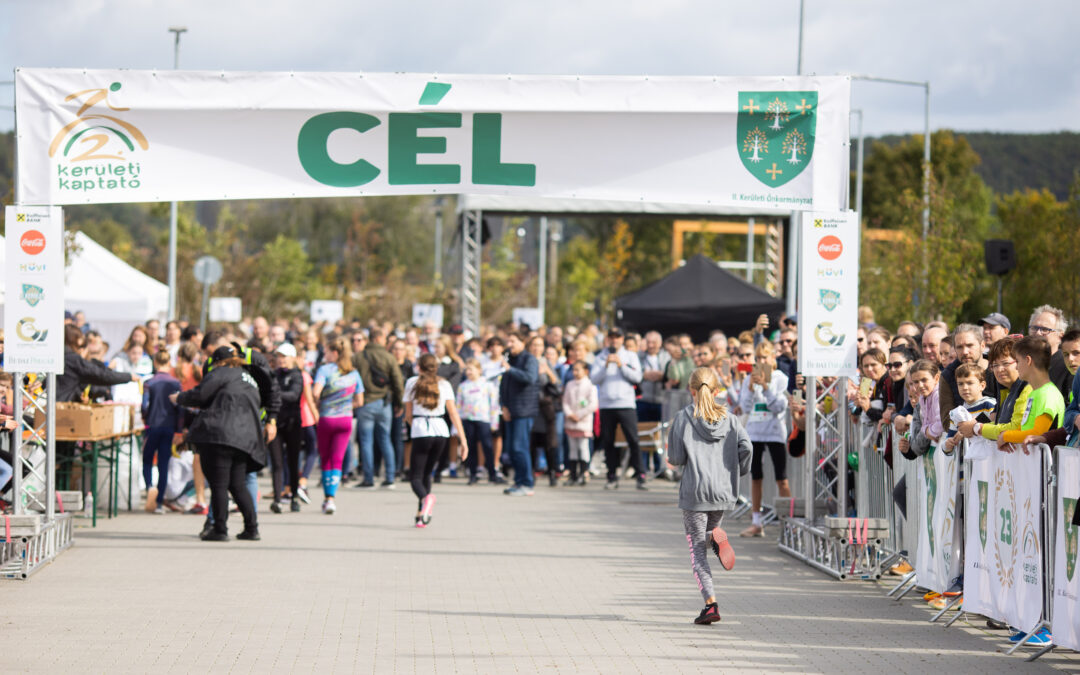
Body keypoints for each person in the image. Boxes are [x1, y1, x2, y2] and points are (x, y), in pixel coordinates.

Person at [667, 367, 751, 625]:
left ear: (691, 390)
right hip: (723, 491)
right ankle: (713, 536)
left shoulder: (683, 417)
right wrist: (738, 471)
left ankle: (710, 604)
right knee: (709, 541)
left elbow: (676, 458)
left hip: (695, 491)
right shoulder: (730, 418)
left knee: (697, 550)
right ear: (717, 391)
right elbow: (747, 447)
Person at [174, 345, 266, 541]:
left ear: (218, 362)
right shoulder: (248, 378)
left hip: (221, 434)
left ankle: (220, 529)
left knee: (219, 484)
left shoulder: (221, 373)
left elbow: (200, 394)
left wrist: (179, 398)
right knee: (238, 485)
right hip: (245, 437)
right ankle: (252, 528)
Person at [403, 353, 468, 527]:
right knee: (427, 473)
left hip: (421, 429)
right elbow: (453, 412)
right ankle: (421, 514)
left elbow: (408, 414)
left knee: (415, 477)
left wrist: (413, 424)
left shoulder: (411, 382)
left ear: (419, 367)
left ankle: (426, 499)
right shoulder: (444, 384)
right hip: (441, 430)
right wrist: (463, 439)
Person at [738, 341, 790, 537]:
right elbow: (744, 407)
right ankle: (756, 521)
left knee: (781, 478)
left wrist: (766, 387)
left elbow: (779, 407)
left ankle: (789, 522)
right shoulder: (748, 379)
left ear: (773, 358)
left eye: (765, 357)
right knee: (756, 476)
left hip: (775, 431)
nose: (761, 361)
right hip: (755, 432)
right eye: (758, 358)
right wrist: (751, 388)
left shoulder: (780, 378)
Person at [591, 327, 647, 491]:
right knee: (608, 441)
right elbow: (594, 379)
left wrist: (621, 365)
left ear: (622, 339)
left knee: (633, 440)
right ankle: (611, 475)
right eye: (612, 337)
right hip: (607, 405)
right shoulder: (600, 357)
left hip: (626, 404)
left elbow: (637, 377)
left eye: (617, 337)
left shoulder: (630, 355)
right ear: (608, 339)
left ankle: (641, 475)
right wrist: (606, 366)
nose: (614, 340)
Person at [313, 337, 364, 514]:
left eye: (326, 352)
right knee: (337, 459)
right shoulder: (353, 373)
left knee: (325, 458)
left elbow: (315, 392)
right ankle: (332, 499)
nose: (324, 355)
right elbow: (360, 400)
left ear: (334, 353)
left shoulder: (324, 370)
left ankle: (327, 498)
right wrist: (346, 404)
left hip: (327, 418)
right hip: (346, 420)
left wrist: (322, 403)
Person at [353, 327, 405, 490]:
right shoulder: (389, 357)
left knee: (366, 441)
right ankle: (389, 477)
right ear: (380, 339)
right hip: (384, 403)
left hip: (366, 402)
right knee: (385, 439)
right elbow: (398, 382)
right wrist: (399, 403)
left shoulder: (358, 357)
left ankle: (368, 478)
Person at [997, 336, 1065, 447]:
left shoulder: (1048, 394)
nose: (1016, 367)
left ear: (1028, 360)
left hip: (1044, 462)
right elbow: (1023, 428)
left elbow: (1037, 434)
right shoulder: (1034, 392)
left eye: (1017, 361)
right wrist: (1007, 436)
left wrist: (1006, 436)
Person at [500, 331, 540, 497]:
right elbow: (504, 386)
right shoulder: (511, 359)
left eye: (513, 341)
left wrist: (510, 370)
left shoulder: (529, 359)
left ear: (523, 342)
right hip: (511, 410)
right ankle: (518, 481)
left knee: (520, 447)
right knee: (511, 449)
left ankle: (527, 483)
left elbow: (530, 378)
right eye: (508, 341)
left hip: (524, 410)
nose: (510, 344)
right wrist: (503, 406)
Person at [141, 350, 181, 513]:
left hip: (152, 425)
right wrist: (178, 429)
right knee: (164, 463)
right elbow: (180, 408)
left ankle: (150, 487)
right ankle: (158, 501)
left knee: (147, 460)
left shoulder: (149, 382)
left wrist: (145, 418)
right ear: (169, 363)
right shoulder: (176, 383)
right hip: (169, 426)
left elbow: (144, 405)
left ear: (155, 362)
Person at [269, 343, 304, 512]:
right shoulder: (273, 375)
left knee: (292, 461)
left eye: (284, 356)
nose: (280, 360)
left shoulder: (297, 375)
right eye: (278, 356)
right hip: (276, 421)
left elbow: (294, 395)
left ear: (292, 358)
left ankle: (294, 496)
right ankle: (277, 499)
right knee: (276, 462)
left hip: (293, 423)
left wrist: (274, 394)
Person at [457, 359, 500, 485]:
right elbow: (458, 405)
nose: (469, 372)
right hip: (468, 419)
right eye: (467, 369)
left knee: (487, 446)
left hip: (483, 419)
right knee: (470, 446)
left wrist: (494, 422)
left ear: (479, 370)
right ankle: (473, 473)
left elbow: (493, 404)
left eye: (471, 369)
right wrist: (457, 426)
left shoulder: (487, 384)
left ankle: (492, 473)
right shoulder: (463, 386)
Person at [942, 363, 996, 455]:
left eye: (969, 383)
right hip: (966, 465)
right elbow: (950, 437)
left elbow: (995, 425)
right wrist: (948, 445)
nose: (965, 388)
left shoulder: (989, 404)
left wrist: (971, 428)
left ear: (982, 386)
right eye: (960, 384)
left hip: (988, 461)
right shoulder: (957, 412)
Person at [563, 360, 599, 486]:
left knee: (583, 448)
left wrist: (579, 415)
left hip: (583, 421)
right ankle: (573, 474)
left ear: (586, 371)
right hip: (571, 421)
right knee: (572, 449)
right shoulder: (570, 385)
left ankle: (584, 473)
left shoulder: (590, 385)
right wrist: (569, 414)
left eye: (578, 370)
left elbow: (593, 404)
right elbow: (565, 401)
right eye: (574, 370)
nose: (575, 372)